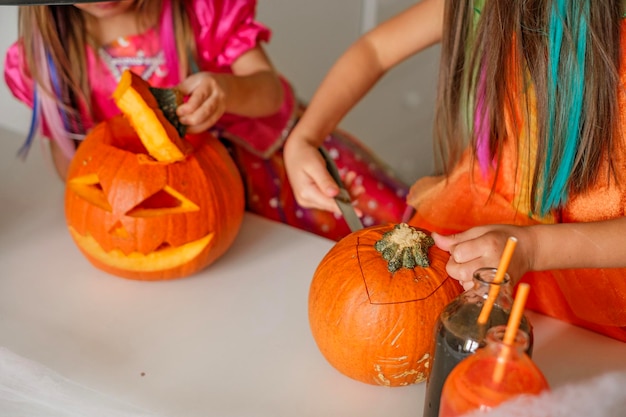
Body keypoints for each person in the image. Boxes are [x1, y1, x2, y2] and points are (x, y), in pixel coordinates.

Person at [284, 0, 626, 342]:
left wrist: (532, 249)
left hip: (592, 261)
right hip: (486, 215)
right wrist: (304, 136)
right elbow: (374, 50)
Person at [3, 0, 410, 242]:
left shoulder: (202, 11)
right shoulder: (42, 61)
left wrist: (226, 91)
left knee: (390, 255)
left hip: (279, 176)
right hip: (179, 211)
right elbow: (72, 164)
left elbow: (270, 91)